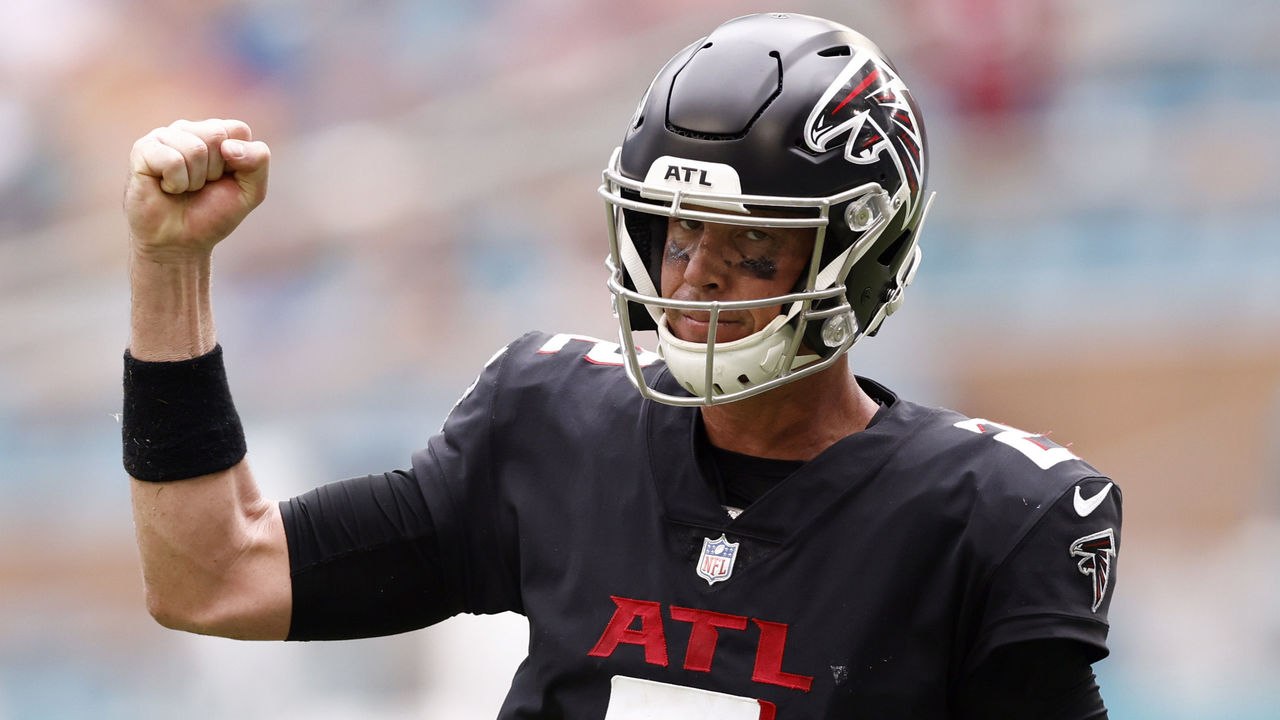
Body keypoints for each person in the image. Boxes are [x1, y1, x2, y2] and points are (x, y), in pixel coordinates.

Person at [122, 13, 1120, 719]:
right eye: (677, 236)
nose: (694, 281)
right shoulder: (548, 422)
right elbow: (212, 577)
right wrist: (171, 269)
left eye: (750, 249)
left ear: (861, 258)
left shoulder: (986, 516)